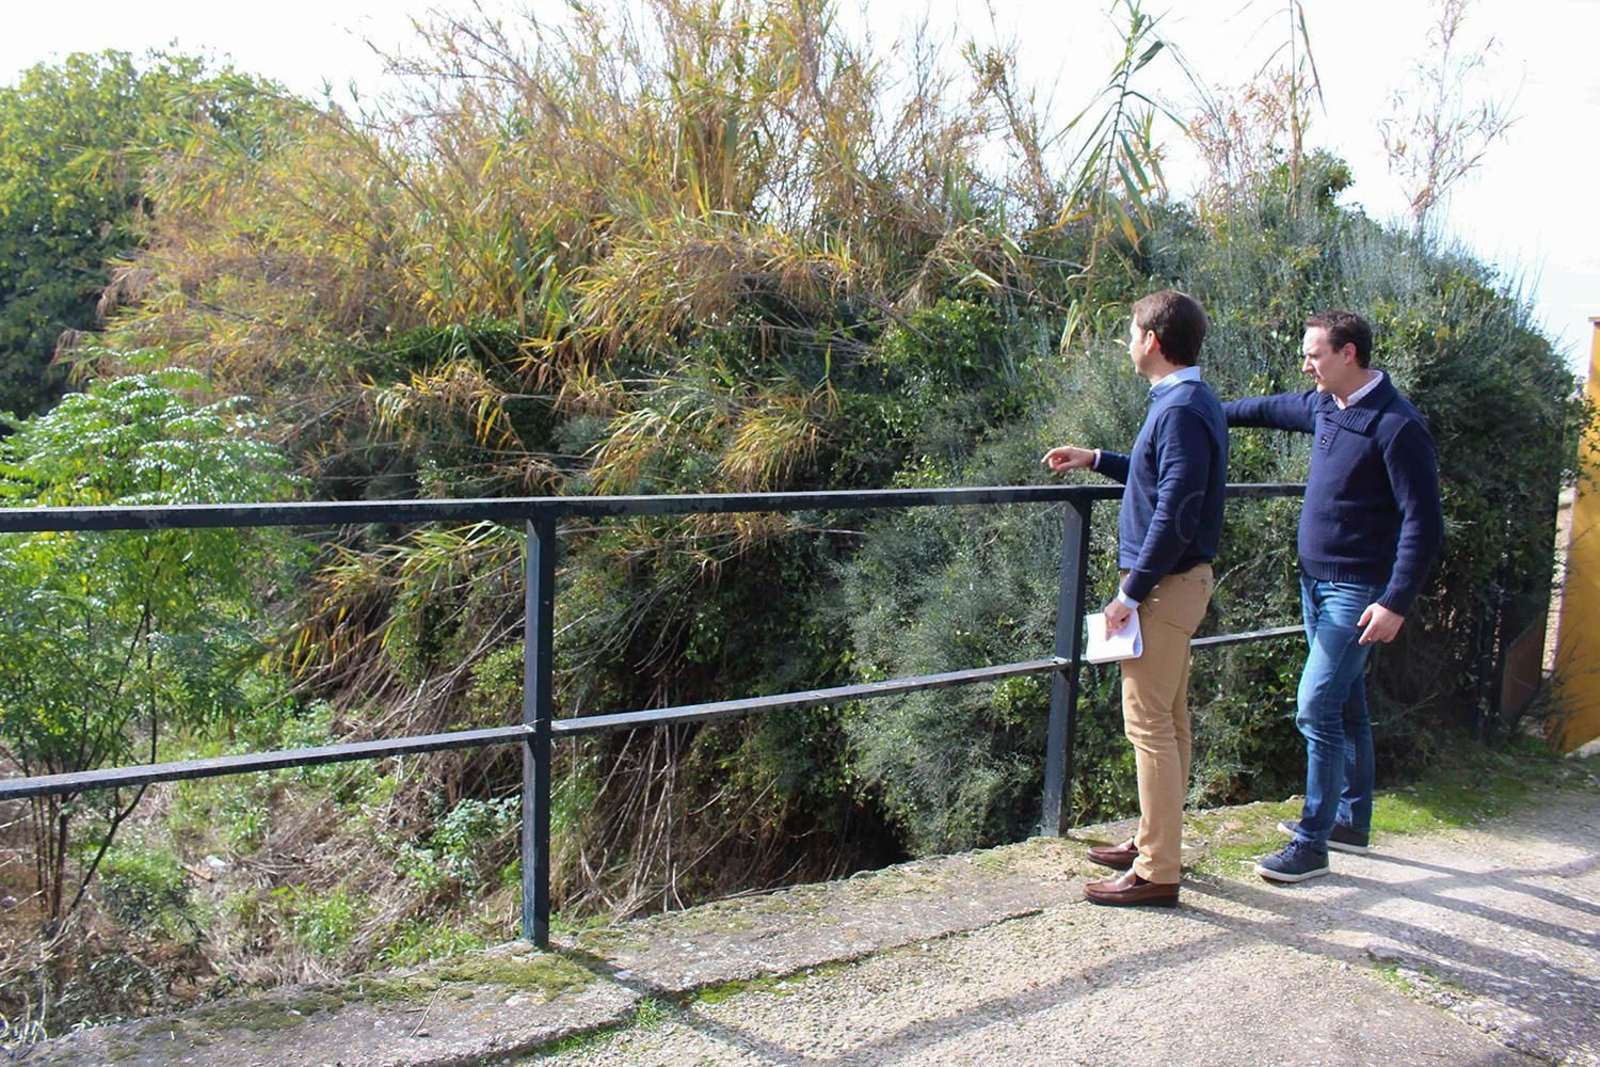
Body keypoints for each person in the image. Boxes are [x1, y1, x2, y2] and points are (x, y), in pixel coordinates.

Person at [1222, 310, 1443, 883]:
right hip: (1314, 582)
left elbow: (1423, 522)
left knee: (1316, 705)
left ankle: (1312, 842)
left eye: (1314, 353)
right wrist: (1201, 413)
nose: (1306, 364)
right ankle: (1350, 822)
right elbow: (1266, 409)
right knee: (1347, 705)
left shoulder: (1397, 425)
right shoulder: (1326, 405)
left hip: (1357, 590)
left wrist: (1396, 601)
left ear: (1349, 354)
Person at [1042, 289, 1228, 907]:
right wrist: (1097, 458)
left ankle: (1156, 870)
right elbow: (1160, 478)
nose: (1126, 342)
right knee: (1169, 724)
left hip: (1163, 591)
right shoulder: (1191, 402)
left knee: (1149, 726)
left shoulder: (1179, 409)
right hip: (1180, 586)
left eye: (1130, 332)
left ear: (1152, 340)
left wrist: (1130, 592)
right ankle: (1157, 843)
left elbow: (1175, 510)